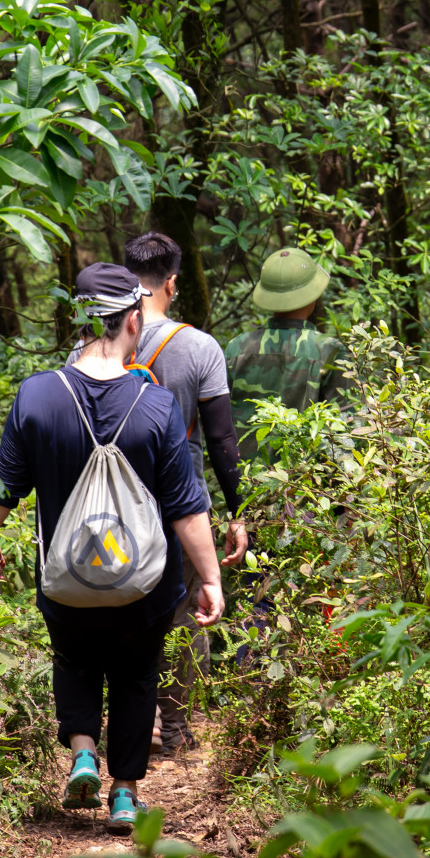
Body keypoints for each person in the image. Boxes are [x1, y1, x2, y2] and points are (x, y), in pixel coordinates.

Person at [0, 263, 224, 831]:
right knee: (137, 674)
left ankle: (83, 751)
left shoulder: (37, 397)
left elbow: (1, 488)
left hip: (66, 579)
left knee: (74, 658)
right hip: (145, 586)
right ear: (135, 319)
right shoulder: (156, 406)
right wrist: (210, 578)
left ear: (78, 320)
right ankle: (125, 794)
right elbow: (186, 507)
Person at [120, 231, 246, 755]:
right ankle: (172, 730)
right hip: (182, 503)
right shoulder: (199, 347)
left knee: (122, 607)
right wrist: (239, 510)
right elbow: (219, 437)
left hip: (116, 501)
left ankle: (126, 719)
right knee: (185, 610)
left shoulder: (99, 342)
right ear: (172, 282)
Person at [224, 246, 349, 452]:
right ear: (313, 295)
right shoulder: (331, 352)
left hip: (242, 478)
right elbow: (345, 431)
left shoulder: (236, 348)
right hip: (304, 481)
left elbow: (219, 424)